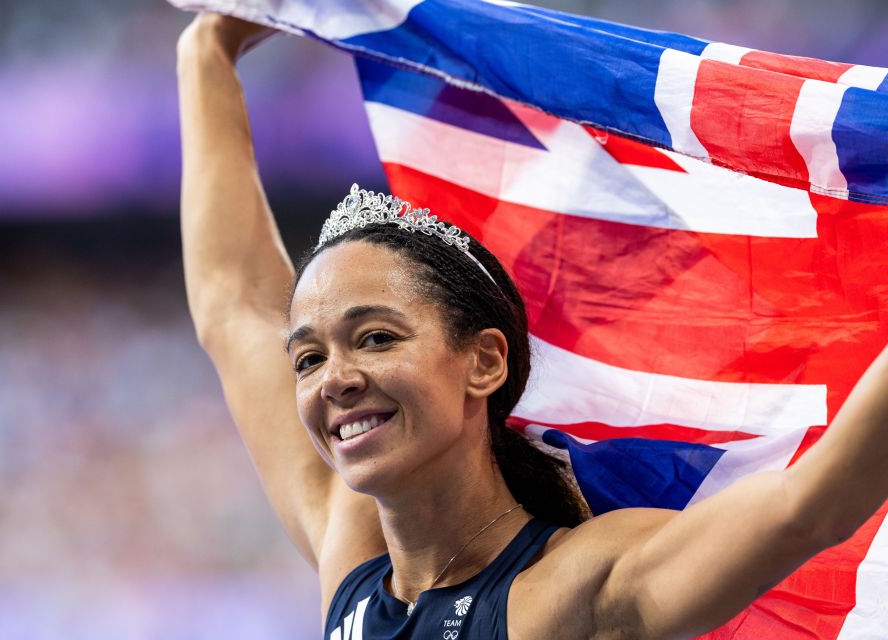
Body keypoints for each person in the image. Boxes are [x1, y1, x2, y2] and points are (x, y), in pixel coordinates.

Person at [176, 12, 888, 639]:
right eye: (307, 359)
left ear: (484, 362)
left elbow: (808, 509)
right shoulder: (353, 559)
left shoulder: (576, 588)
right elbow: (232, 301)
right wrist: (208, 47)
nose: (335, 378)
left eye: (376, 338)